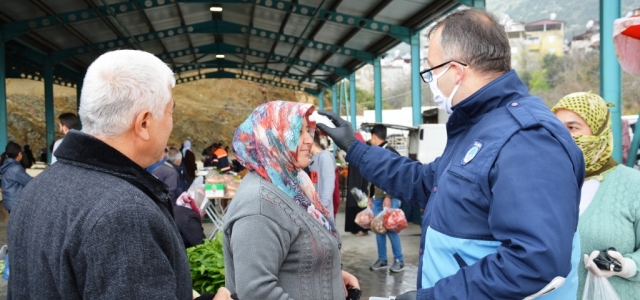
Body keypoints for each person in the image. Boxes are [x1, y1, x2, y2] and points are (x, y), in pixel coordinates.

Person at [316, 9, 585, 300]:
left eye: (431, 71)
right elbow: (423, 182)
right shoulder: (479, 128)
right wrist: (356, 149)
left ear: (456, 70)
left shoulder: (527, 138)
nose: (431, 82)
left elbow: (534, 262)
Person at [7, 50, 230, 300]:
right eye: (170, 112)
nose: (171, 123)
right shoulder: (124, 214)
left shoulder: (39, 189)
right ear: (144, 123)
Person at [223, 101, 359, 299]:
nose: (309, 140)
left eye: (308, 131)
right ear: (272, 137)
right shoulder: (258, 204)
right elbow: (256, 292)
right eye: (298, 131)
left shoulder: (291, 184)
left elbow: (297, 259)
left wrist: (331, 277)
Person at [552, 92, 640, 298]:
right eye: (556, 128)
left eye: (572, 128)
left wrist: (627, 266)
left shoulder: (633, 185)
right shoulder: (540, 184)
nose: (561, 136)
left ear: (599, 131)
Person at [367, 124, 405, 273]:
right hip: (377, 198)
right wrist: (370, 196)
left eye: (371, 137)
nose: (370, 140)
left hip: (389, 199)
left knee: (391, 229)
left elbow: (396, 175)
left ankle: (399, 260)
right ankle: (382, 259)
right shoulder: (376, 152)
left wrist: (389, 196)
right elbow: (373, 176)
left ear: (375, 136)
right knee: (378, 229)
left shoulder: (391, 152)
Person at [345, 133, 370, 236]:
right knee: (357, 207)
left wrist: (358, 189)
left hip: (357, 187)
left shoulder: (357, 156)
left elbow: (359, 175)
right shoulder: (359, 154)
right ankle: (356, 229)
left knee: (358, 207)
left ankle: (360, 229)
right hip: (356, 187)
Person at [309, 129, 336, 215]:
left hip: (322, 213)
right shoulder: (312, 158)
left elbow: (328, 185)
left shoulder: (325, 157)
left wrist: (321, 209)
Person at [0, 142, 32, 213]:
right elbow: (29, 182)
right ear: (19, 154)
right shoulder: (15, 168)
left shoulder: (7, 166)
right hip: (16, 202)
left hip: (9, 200)